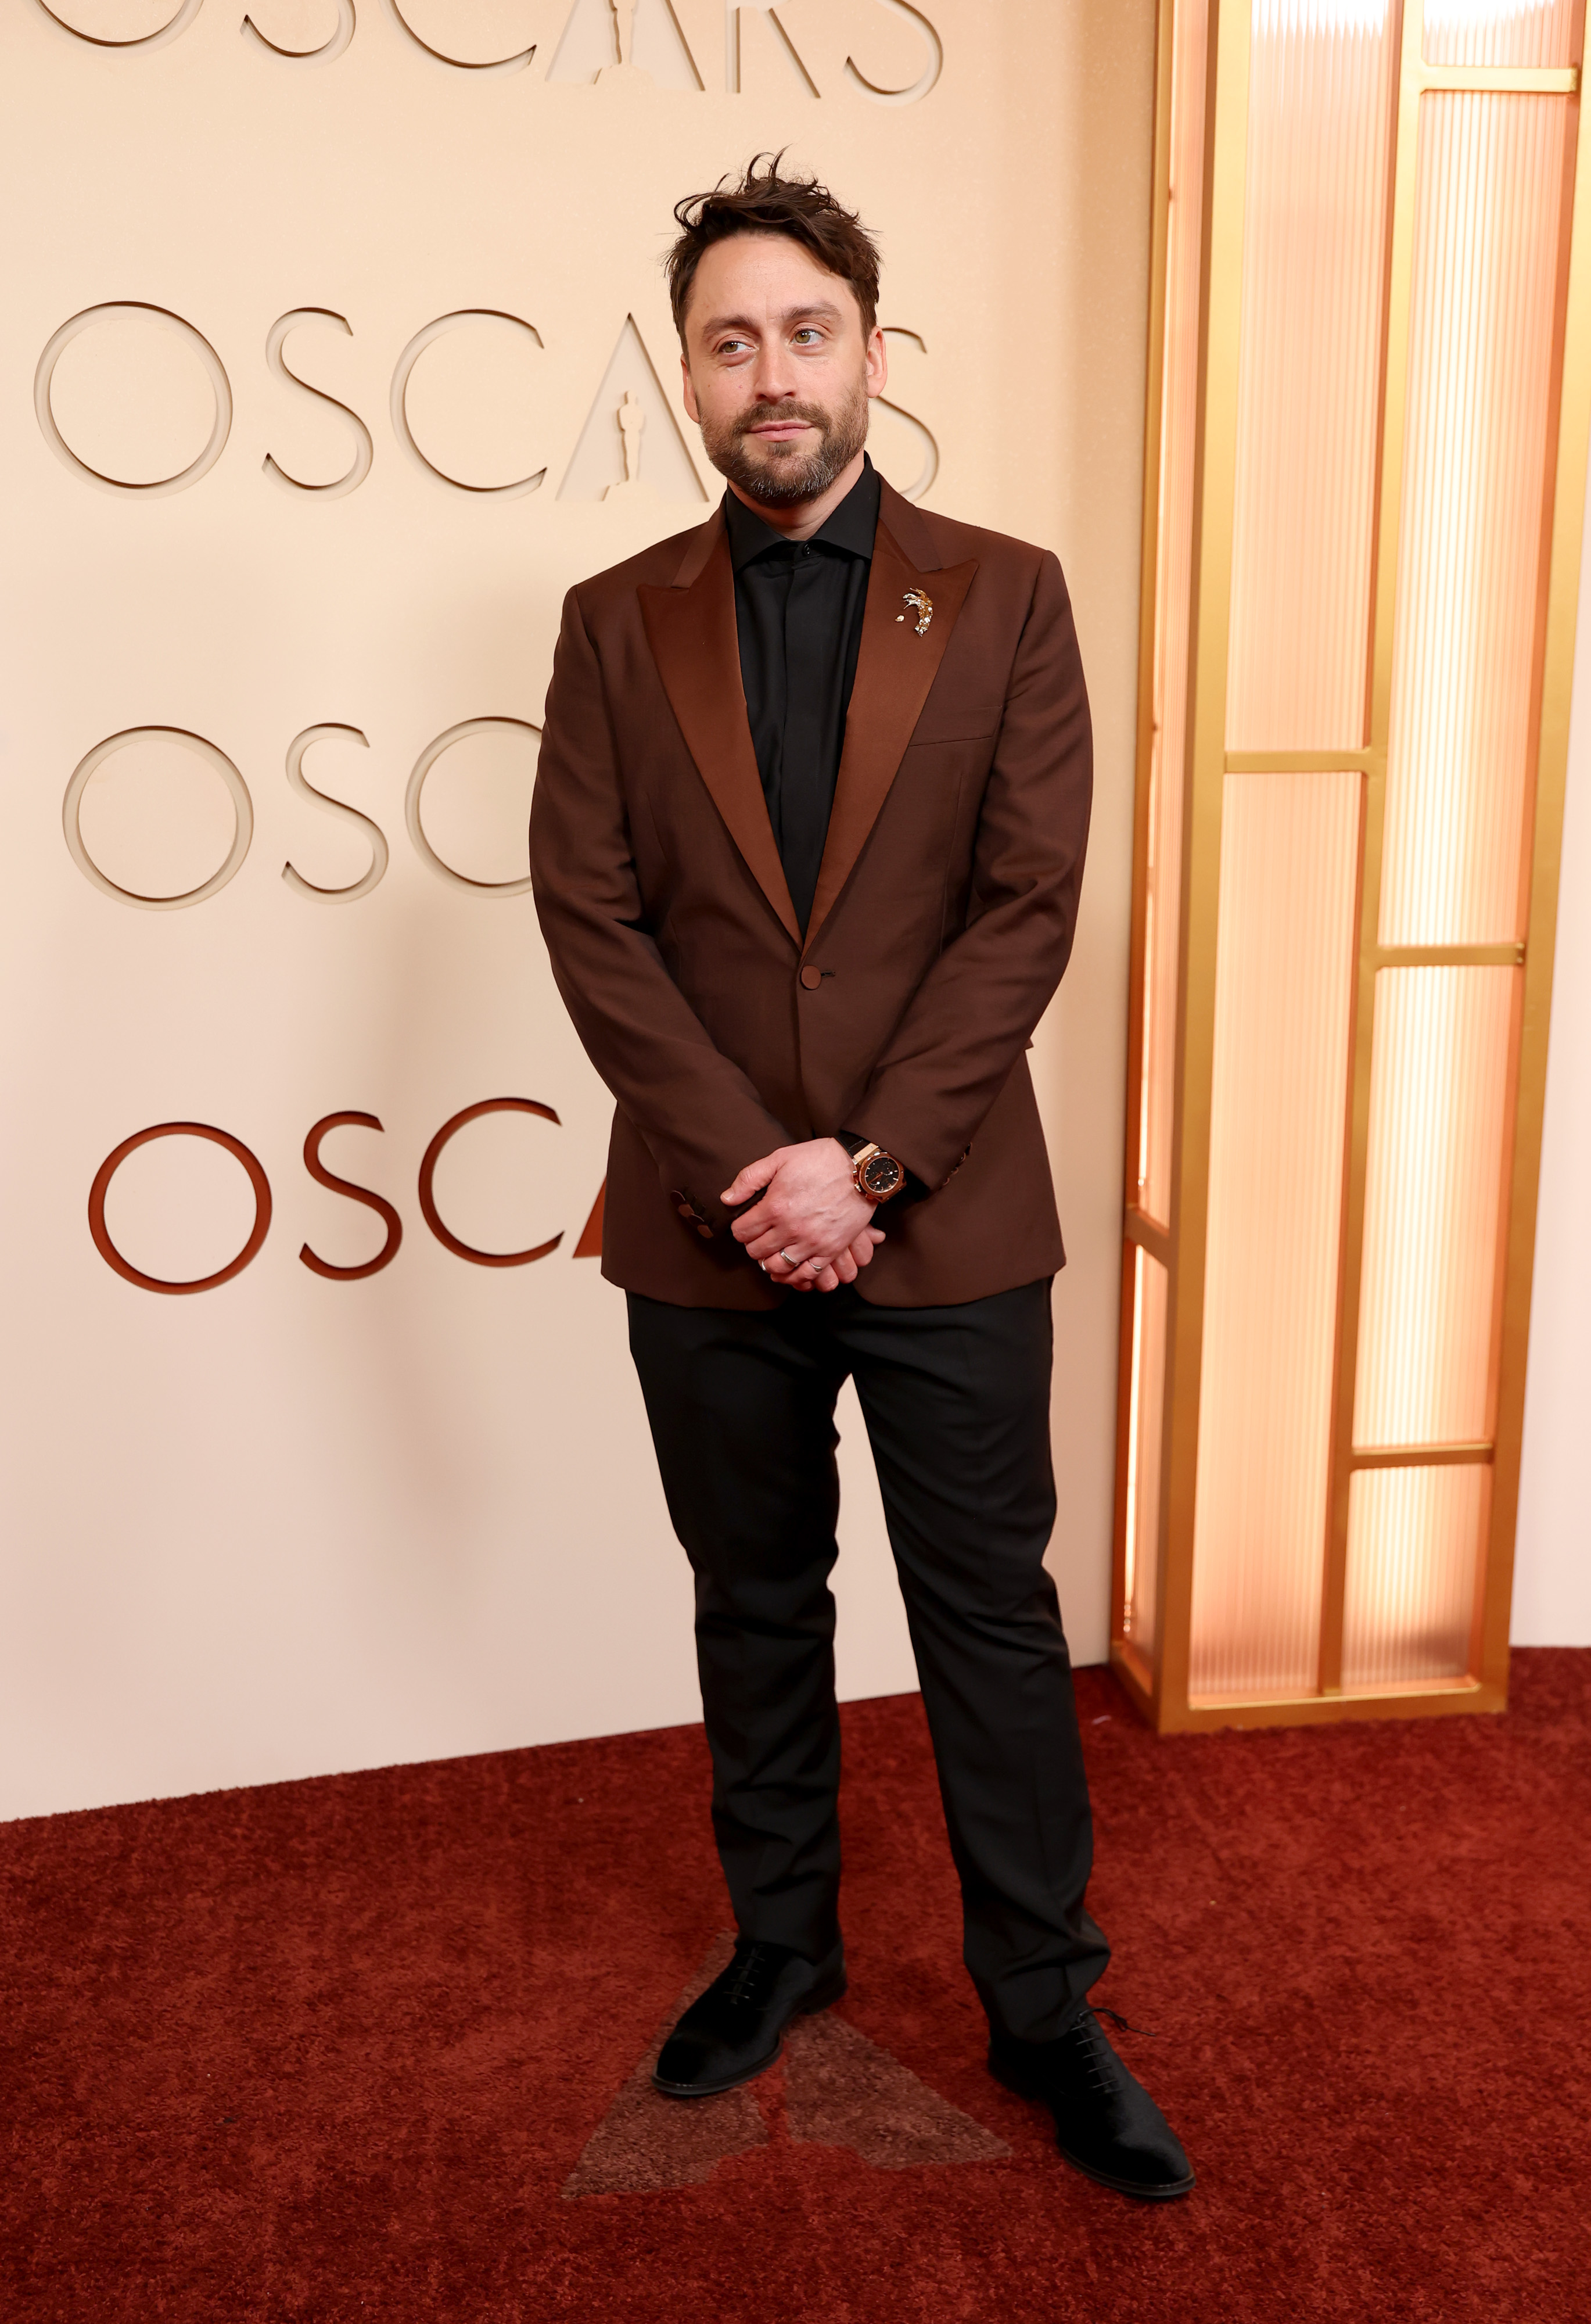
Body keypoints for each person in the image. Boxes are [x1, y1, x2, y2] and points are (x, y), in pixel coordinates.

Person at [529, 156, 1193, 2201]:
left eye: (805, 331)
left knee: (988, 1617)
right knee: (754, 1607)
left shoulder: (1007, 592)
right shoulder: (612, 621)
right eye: (729, 341)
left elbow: (1025, 906)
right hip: (708, 1231)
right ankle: (782, 1950)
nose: (771, 372)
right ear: (688, 376)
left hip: (955, 1215)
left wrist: (875, 1166)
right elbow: (591, 918)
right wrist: (761, 1172)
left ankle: (1040, 2007)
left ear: (872, 353)